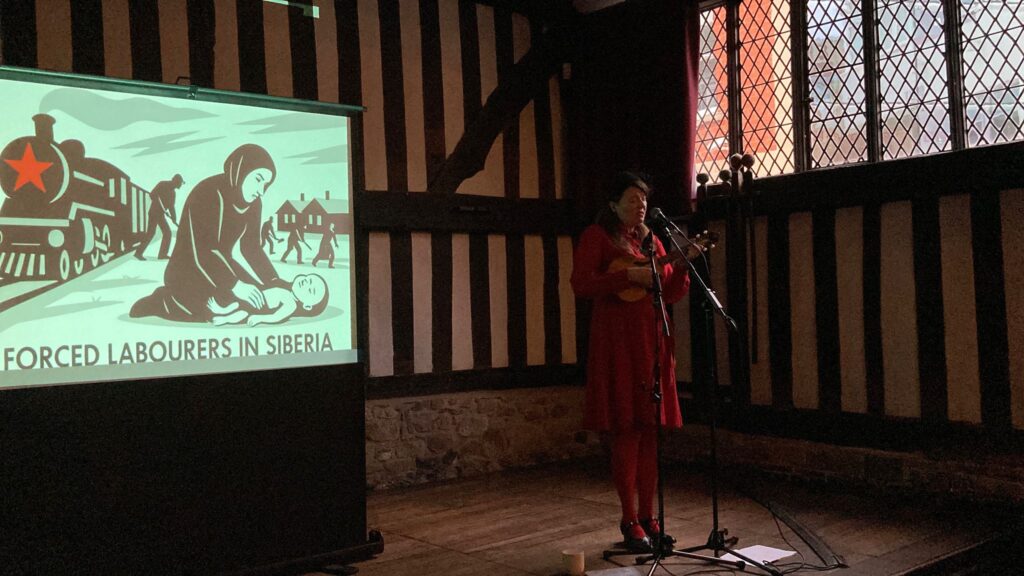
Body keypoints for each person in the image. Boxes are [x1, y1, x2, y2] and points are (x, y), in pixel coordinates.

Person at [570, 171, 691, 552]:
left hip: (652, 342)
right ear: (613, 204)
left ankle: (649, 516)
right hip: (619, 344)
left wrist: (682, 266)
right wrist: (628, 277)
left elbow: (669, 292)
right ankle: (629, 519)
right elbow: (581, 284)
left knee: (650, 431)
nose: (640, 206)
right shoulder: (598, 237)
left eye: (644, 200)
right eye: (632, 200)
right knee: (627, 429)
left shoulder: (652, 240)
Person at [130, 144, 283, 322]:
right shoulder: (208, 192)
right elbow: (204, 250)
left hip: (223, 267)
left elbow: (251, 247)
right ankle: (163, 301)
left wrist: (273, 281)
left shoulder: (255, 203)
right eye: (258, 179)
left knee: (260, 301)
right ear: (240, 170)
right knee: (217, 309)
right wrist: (236, 285)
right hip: (188, 269)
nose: (261, 191)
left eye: (266, 185)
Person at [206, 273, 329, 326]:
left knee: (242, 313)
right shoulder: (283, 284)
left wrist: (260, 318)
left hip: (259, 307)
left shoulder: (291, 304)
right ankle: (222, 310)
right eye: (309, 279)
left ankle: (225, 319)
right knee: (237, 304)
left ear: (307, 306)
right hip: (255, 296)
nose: (306, 284)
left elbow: (276, 316)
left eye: (310, 290)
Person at [134, 173, 183, 260]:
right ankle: (138, 253)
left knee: (167, 233)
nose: (180, 185)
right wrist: (157, 200)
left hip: (160, 214)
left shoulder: (173, 193)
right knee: (151, 233)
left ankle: (162, 254)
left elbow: (171, 207)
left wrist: (174, 218)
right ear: (176, 181)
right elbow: (152, 194)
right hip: (154, 212)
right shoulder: (162, 184)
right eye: (180, 183)